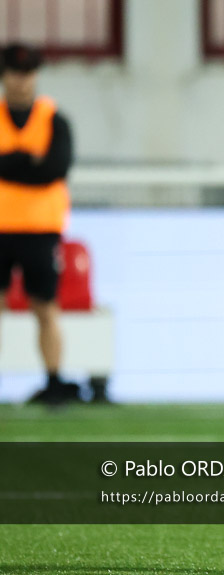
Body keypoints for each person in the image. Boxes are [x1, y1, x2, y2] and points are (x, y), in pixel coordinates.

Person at [0, 44, 79, 405]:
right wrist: (28, 162)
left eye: (28, 72)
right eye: (15, 72)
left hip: (40, 229)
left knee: (46, 307)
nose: (21, 80)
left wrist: (10, 163)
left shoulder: (53, 119)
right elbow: (40, 168)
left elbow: (55, 168)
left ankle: (53, 380)